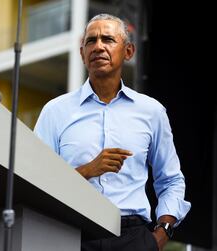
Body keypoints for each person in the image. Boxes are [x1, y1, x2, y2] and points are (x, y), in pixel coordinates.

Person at [34, 13, 191, 251]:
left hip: (133, 236)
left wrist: (161, 234)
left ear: (128, 52)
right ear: (82, 54)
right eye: (91, 41)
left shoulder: (151, 111)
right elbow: (36, 181)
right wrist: (87, 170)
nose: (98, 46)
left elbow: (170, 180)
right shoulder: (55, 112)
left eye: (108, 39)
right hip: (71, 232)